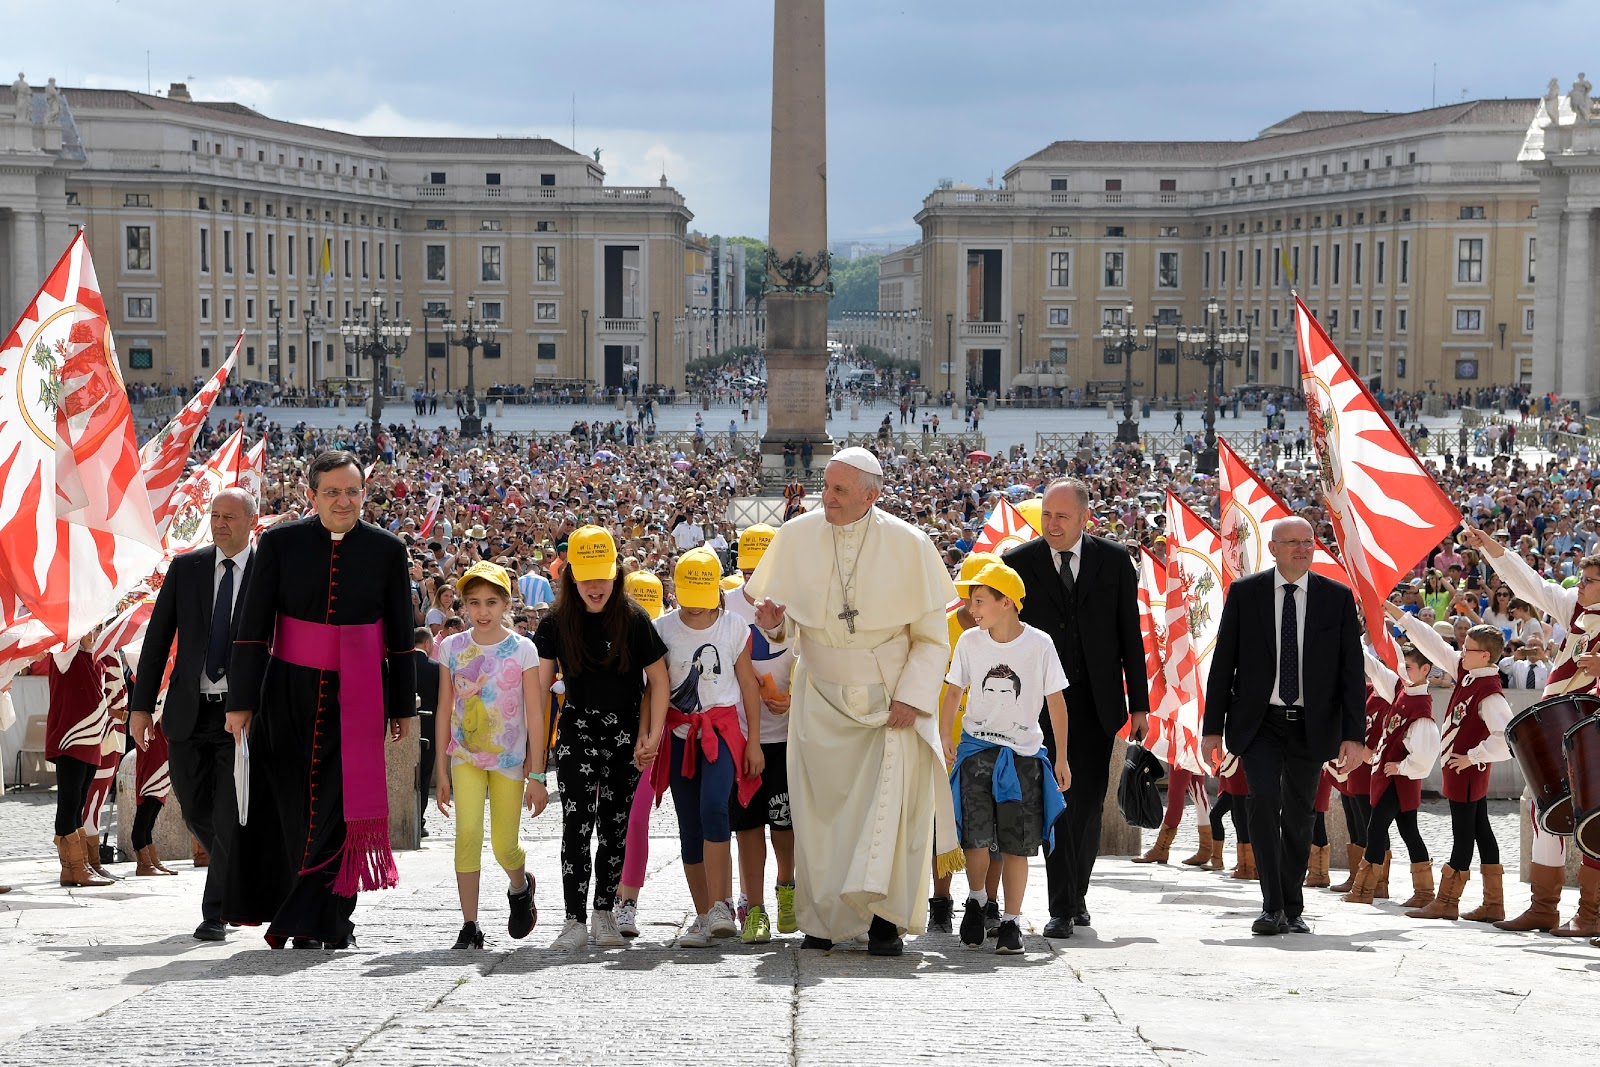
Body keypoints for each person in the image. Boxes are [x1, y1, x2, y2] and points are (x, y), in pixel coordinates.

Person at [746, 447, 959, 957]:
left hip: (888, 703)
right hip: (819, 699)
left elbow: (932, 639)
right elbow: (785, 630)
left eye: (840, 490)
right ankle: (822, 920)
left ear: (872, 494)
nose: (828, 497)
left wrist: (911, 696)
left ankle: (884, 922)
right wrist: (774, 623)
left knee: (887, 814)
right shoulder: (797, 537)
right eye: (827, 486)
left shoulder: (910, 544)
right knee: (820, 817)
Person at [225, 450, 419, 950]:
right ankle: (315, 918)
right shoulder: (280, 543)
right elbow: (252, 628)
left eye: (352, 491)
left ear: (364, 494)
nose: (343, 500)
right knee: (293, 804)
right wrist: (240, 702)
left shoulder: (387, 549)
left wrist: (402, 707)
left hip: (358, 695)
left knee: (342, 810)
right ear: (311, 495)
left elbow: (400, 637)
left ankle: (324, 920)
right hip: (288, 692)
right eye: (331, 491)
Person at [1202, 517, 1365, 936]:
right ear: (1272, 548)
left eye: (1308, 542)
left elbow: (1351, 670)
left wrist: (1354, 735)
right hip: (1259, 724)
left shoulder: (1337, 598)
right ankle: (1272, 904)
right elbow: (1223, 666)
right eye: (1291, 542)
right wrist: (1212, 729)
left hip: (1312, 726)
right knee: (1262, 801)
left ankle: (1292, 906)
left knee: (1299, 815)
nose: (1302, 549)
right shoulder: (1245, 594)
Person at [1003, 478, 1148, 939]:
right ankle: (1062, 907)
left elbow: (1130, 635)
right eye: (1047, 515)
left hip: (1097, 702)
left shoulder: (1115, 562)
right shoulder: (1018, 564)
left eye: (1062, 516)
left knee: (1086, 803)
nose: (1052, 524)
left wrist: (1140, 705)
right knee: (1057, 802)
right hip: (1039, 705)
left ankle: (1076, 895)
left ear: (1086, 517)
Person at [130, 487, 259, 940]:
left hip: (241, 715)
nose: (220, 523)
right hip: (188, 713)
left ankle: (215, 912)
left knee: (225, 811)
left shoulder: (268, 571)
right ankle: (241, 865)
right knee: (193, 809)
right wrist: (141, 706)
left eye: (229, 516)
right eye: (214, 515)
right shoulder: (187, 568)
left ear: (250, 521)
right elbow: (158, 638)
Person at [534, 525, 668, 950]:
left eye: (603, 575)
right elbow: (540, 692)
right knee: (575, 823)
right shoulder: (555, 623)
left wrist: (653, 733)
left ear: (617, 573)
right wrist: (536, 764)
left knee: (615, 828)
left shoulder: (634, 617)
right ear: (571, 575)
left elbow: (659, 682)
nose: (595, 586)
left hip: (625, 734)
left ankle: (604, 912)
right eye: (586, 575)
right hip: (576, 731)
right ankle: (573, 919)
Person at [941, 562, 1070, 955]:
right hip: (976, 750)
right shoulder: (969, 641)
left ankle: (1012, 923)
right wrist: (946, 736)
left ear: (1007, 602)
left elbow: (1056, 702)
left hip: (1023, 757)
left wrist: (1061, 757)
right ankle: (978, 900)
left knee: (1017, 846)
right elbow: (951, 690)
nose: (971, 608)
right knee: (975, 840)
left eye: (979, 600)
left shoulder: (1040, 644)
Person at [649, 548, 764, 947]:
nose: (695, 612)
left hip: (721, 731)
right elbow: (655, 689)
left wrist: (754, 743)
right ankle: (702, 914)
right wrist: (648, 736)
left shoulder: (734, 627)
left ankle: (722, 905)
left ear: (718, 591)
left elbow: (748, 684)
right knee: (689, 826)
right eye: (687, 603)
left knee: (715, 806)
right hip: (681, 734)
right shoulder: (662, 629)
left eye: (703, 603)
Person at [434, 562, 546, 950]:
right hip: (464, 756)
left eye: (491, 602)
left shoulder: (523, 649)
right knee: (466, 835)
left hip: (511, 761)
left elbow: (536, 712)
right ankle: (470, 924)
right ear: (463, 605)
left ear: (506, 604)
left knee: (504, 844)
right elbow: (444, 709)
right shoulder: (451, 647)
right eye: (474, 602)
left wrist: (538, 774)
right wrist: (441, 771)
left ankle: (520, 885)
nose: (483, 611)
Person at [1388, 606, 1513, 922]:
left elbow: (1508, 738)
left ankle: (1447, 900)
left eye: (1468, 649)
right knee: (1481, 830)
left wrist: (1473, 756)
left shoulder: (1489, 692)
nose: (1461, 653)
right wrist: (1401, 617)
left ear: (1485, 656)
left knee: (1464, 833)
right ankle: (1493, 904)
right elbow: (1433, 644)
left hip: (1467, 772)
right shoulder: (1467, 673)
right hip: (1461, 772)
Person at [724, 525, 798, 942]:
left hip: (788, 736)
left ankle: (787, 891)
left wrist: (793, 699)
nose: (757, 580)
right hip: (740, 737)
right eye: (749, 570)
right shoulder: (725, 605)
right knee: (747, 826)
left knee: (785, 824)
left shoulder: (799, 605)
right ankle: (755, 908)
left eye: (765, 569)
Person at [1344, 640, 1440, 908]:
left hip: (1399, 781)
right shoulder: (1400, 689)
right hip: (1391, 778)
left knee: (1376, 828)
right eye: (1401, 666)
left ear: (1425, 670)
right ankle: (1423, 892)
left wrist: (1401, 767)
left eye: (1408, 667)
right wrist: (1349, 636)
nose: (1403, 671)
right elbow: (1374, 668)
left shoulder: (1421, 707)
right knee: (1409, 831)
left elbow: (1426, 753)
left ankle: (1364, 888)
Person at [45, 634, 120, 889]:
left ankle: (80, 866)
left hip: (91, 739)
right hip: (71, 737)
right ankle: (73, 867)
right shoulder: (64, 652)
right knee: (69, 800)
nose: (93, 634)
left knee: (79, 801)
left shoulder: (94, 658)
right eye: (89, 629)